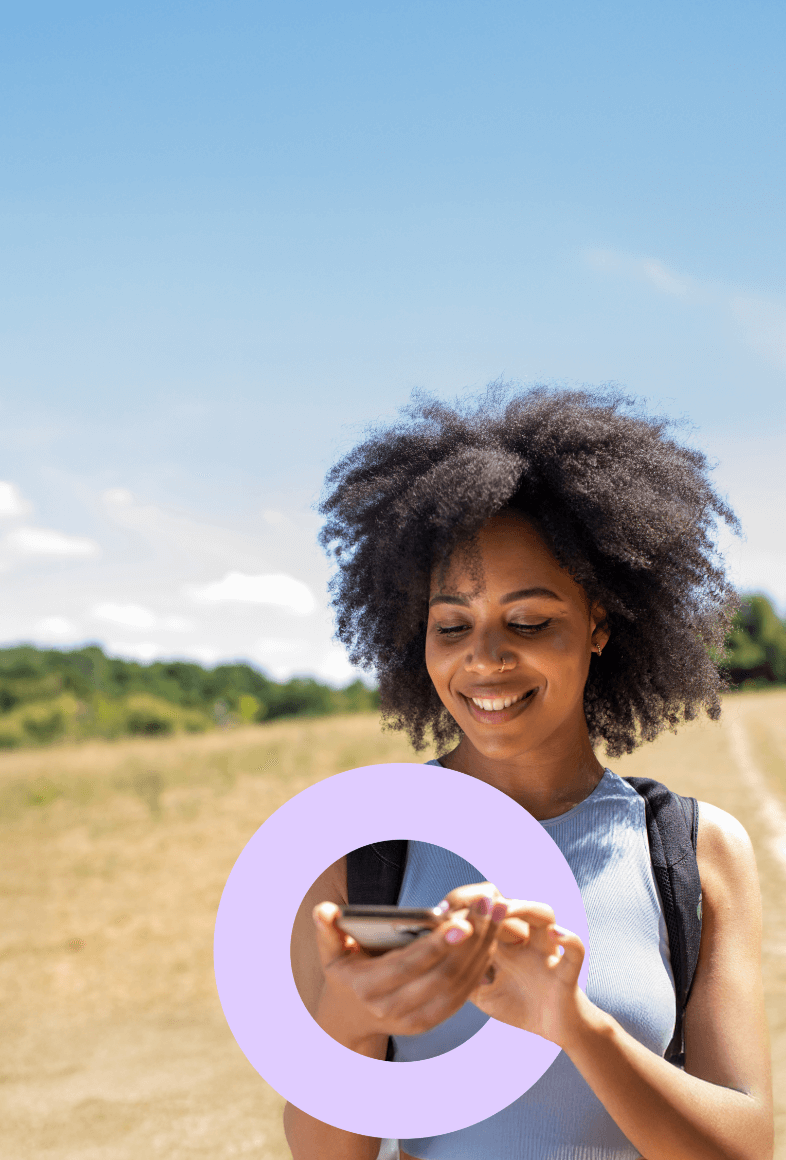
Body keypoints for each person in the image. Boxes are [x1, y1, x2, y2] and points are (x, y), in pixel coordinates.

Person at [285, 385, 774, 1160]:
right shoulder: (361, 856)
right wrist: (349, 1018)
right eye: (452, 625)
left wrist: (573, 1024)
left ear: (600, 625)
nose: (483, 657)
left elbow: (747, 1149)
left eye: (528, 621)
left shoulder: (695, 848)